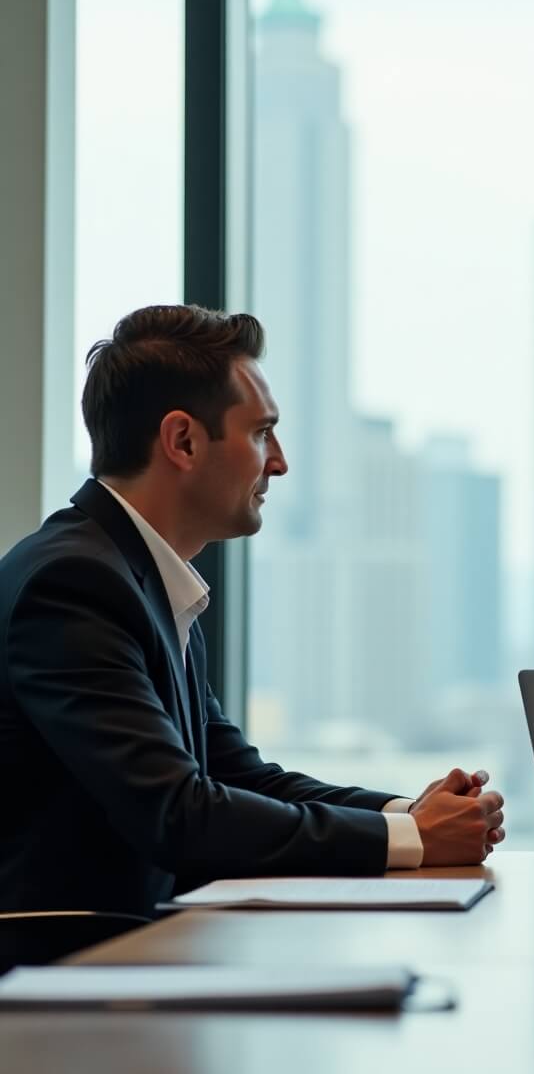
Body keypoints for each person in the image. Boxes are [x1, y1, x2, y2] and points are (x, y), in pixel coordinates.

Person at [0, 304, 505, 915]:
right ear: (183, 441)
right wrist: (414, 838)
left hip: (143, 950)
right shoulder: (75, 583)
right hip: (70, 962)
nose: (279, 461)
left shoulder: (140, 579)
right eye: (262, 432)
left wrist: (410, 813)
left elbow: (237, 776)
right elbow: (180, 814)